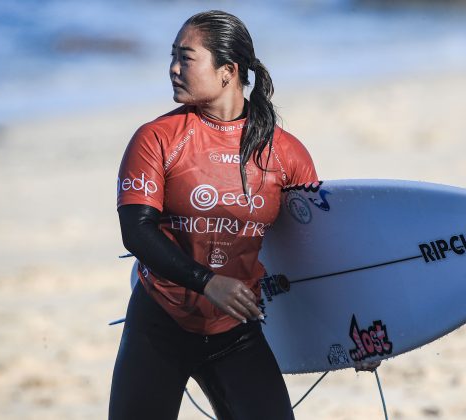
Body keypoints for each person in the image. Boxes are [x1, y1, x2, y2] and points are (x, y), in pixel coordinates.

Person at [109, 10, 318, 420]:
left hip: (235, 330)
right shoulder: (157, 138)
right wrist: (207, 283)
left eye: (186, 58)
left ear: (228, 72)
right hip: (160, 320)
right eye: (172, 56)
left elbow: (315, 248)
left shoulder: (285, 153)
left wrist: (356, 338)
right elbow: (136, 231)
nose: (172, 68)